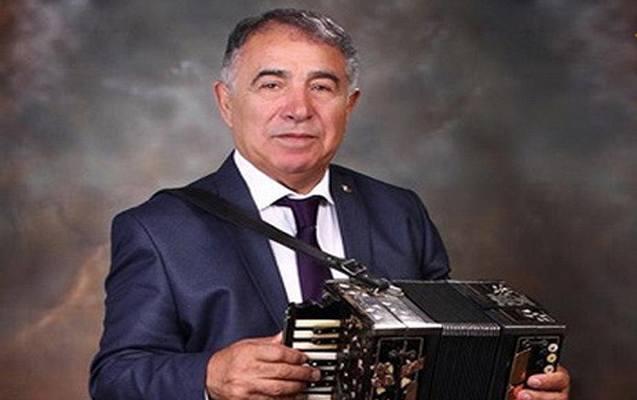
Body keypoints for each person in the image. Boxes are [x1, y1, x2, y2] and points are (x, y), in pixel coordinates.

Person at [90, 8, 570, 400]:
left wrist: (511, 386)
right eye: (271, 84)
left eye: (321, 87)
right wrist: (209, 376)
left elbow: (443, 363)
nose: (298, 109)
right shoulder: (158, 229)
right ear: (227, 102)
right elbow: (115, 377)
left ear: (349, 105)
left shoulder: (399, 213)